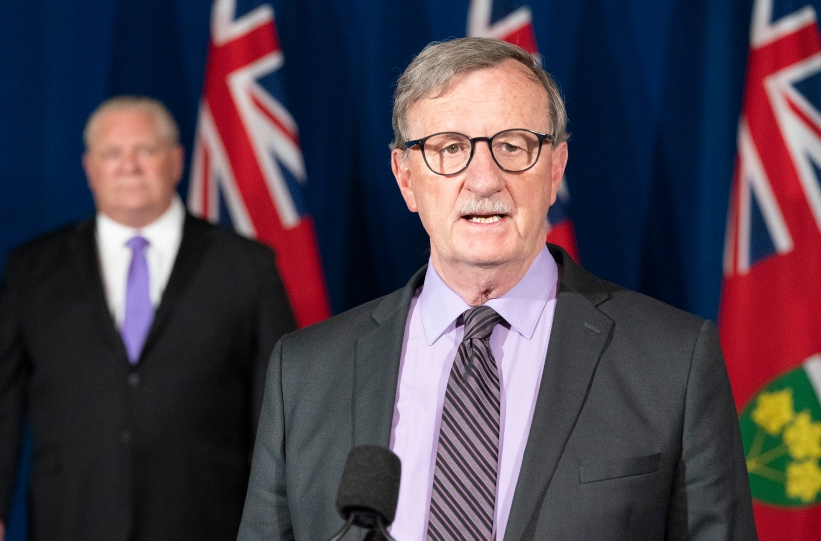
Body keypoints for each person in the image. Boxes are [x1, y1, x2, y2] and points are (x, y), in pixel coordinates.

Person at [237, 38, 756, 540]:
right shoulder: (304, 373)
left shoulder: (672, 362)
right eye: (449, 148)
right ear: (405, 177)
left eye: (513, 146)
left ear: (555, 168)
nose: (483, 180)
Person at [0, 95, 296, 541]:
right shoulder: (33, 269)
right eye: (112, 153)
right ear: (89, 167)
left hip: (206, 519)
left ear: (175, 160)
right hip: (73, 518)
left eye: (145, 151)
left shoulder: (246, 265)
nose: (128, 166)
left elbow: (283, 407)